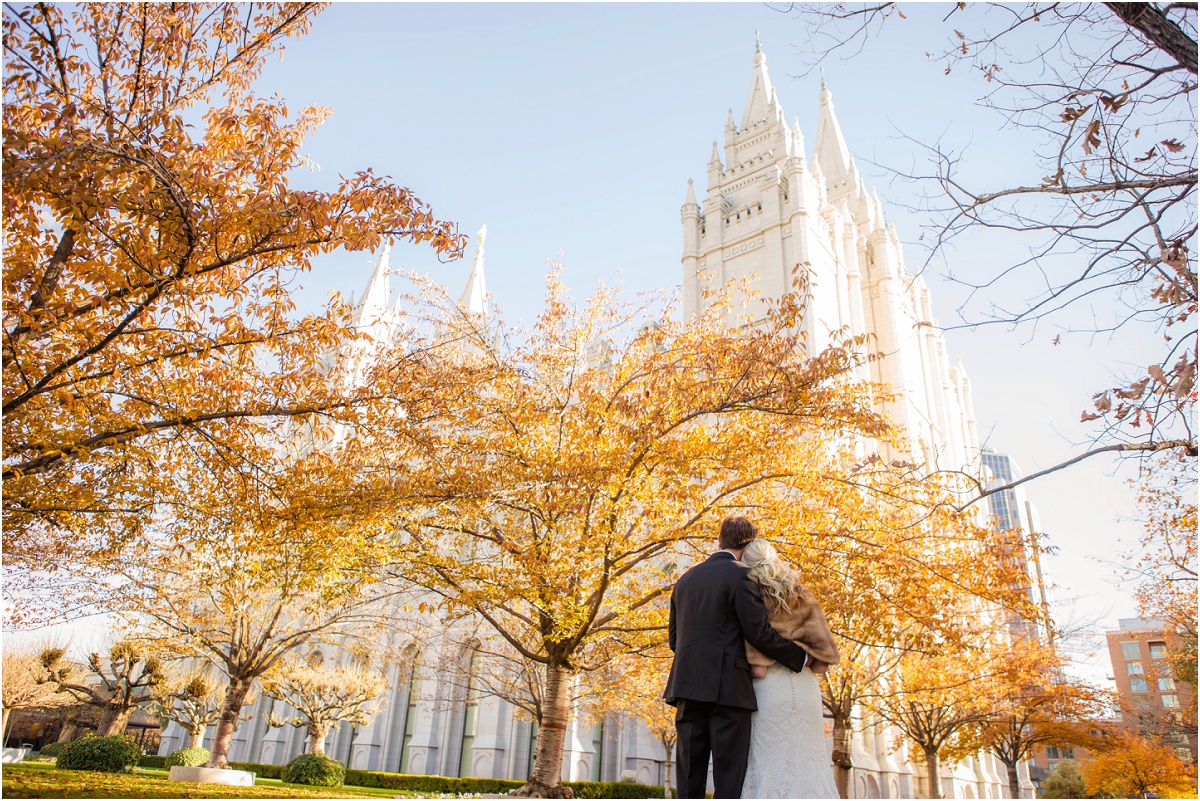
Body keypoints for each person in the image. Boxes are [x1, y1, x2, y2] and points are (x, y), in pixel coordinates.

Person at [663, 516, 812, 799]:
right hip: (728, 691)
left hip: (686, 689)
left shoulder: (685, 580)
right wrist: (801, 658)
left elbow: (674, 640)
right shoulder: (744, 576)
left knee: (689, 779)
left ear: (720, 540)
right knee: (728, 779)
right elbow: (759, 634)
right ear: (750, 543)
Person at [738, 538, 841, 797]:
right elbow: (823, 662)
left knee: (770, 766)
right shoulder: (801, 595)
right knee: (811, 766)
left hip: (769, 689)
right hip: (805, 688)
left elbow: (757, 667)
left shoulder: (752, 596)